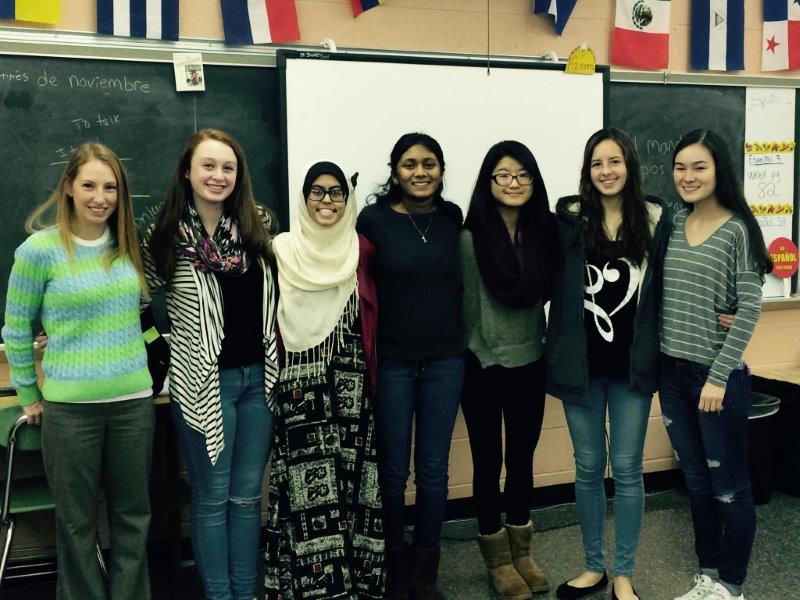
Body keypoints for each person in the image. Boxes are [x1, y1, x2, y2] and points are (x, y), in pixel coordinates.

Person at [2, 143, 154, 600]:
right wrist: (29, 394)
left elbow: (142, 319)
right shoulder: (39, 251)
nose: (100, 197)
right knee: (76, 523)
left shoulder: (128, 244)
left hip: (132, 406)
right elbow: (15, 328)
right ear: (68, 187)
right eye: (89, 185)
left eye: (110, 187)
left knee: (133, 517)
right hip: (70, 412)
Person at [141, 129, 278, 600]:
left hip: (259, 379)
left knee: (246, 499)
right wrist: (158, 346)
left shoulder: (258, 224)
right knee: (213, 499)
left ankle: (247, 592)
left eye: (228, 168)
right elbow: (138, 297)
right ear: (187, 171)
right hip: (202, 383)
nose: (218, 176)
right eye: (208, 166)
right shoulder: (165, 234)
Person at [548, 128, 672, 600]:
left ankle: (623, 573)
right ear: (587, 171)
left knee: (627, 469)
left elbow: (677, 278)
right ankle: (593, 567)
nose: (606, 171)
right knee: (586, 467)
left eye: (615, 161)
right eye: (597, 163)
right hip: (580, 365)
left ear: (630, 166)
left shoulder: (657, 223)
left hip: (632, 368)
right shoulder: (569, 224)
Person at [264, 161, 385, 599]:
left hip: (351, 387)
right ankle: (309, 587)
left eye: (336, 192)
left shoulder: (362, 250)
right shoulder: (279, 250)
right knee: (305, 489)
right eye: (317, 191)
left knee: (351, 485)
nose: (327, 201)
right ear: (304, 197)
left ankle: (354, 583)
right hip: (298, 386)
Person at [661, 130, 772, 600]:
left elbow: (749, 308)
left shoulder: (736, 230)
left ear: (718, 170)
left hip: (716, 380)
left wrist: (718, 376)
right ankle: (707, 574)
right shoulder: (670, 223)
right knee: (696, 484)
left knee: (730, 488)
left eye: (699, 167)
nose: (688, 177)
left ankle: (731, 585)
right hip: (672, 374)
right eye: (681, 167)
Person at [356, 132, 464, 600]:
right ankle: (395, 570)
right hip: (394, 364)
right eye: (409, 164)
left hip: (445, 360)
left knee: (435, 470)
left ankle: (426, 572)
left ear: (441, 169)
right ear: (394, 171)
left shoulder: (452, 217)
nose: (420, 172)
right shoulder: (373, 220)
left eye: (429, 164)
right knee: (393, 473)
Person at [460, 141, 556, 600]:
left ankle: (522, 550)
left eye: (522, 175)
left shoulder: (543, 236)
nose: (513, 183)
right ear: (488, 181)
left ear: (534, 183)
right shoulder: (468, 237)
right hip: (481, 362)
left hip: (529, 360)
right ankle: (497, 559)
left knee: (522, 458)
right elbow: (461, 306)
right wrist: (478, 351)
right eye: (503, 175)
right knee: (487, 460)